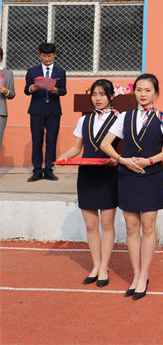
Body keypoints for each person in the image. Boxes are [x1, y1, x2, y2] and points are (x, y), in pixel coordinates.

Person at [100, 73, 163, 300]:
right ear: (133, 92)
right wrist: (122, 160)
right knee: (131, 227)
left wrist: (150, 160)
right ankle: (136, 275)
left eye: (148, 90)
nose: (143, 94)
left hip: (151, 174)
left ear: (156, 93)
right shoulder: (124, 117)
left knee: (148, 226)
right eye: (139, 90)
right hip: (127, 175)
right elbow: (106, 143)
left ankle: (144, 275)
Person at [56, 79, 119, 288]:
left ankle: (104, 267)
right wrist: (63, 157)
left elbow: (124, 149)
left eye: (102, 94)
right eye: (94, 94)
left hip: (109, 175)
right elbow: (76, 148)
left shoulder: (120, 119)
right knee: (91, 225)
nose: (98, 98)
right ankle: (95, 265)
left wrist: (116, 159)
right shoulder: (84, 120)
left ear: (111, 96)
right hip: (87, 175)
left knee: (107, 224)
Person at [25, 42, 67, 182]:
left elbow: (64, 90)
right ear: (39, 55)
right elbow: (26, 90)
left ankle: (49, 169)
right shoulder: (32, 71)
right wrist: (33, 87)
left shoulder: (60, 72)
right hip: (37, 110)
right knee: (37, 140)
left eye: (49, 56)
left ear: (54, 55)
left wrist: (56, 90)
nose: (47, 59)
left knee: (51, 140)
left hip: (53, 110)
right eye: (44, 56)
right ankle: (37, 170)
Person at [0, 48, 16, 151]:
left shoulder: (8, 74)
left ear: (1, 58)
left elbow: (12, 94)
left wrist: (5, 91)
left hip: (0, 111)